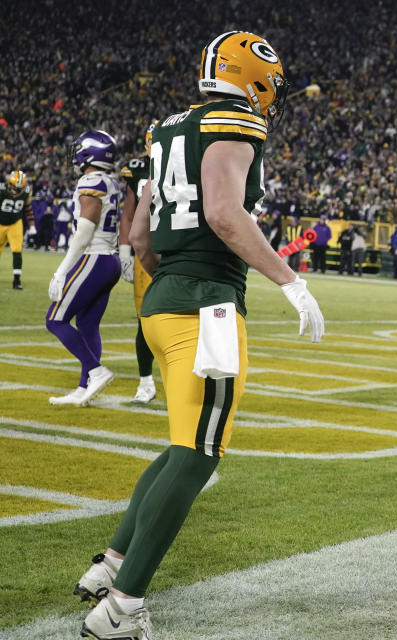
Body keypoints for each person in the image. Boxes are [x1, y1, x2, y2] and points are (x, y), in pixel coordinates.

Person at [72, 31, 324, 640]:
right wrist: (290, 281)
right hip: (207, 307)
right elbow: (222, 212)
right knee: (198, 454)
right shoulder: (236, 122)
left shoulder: (167, 128)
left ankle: (110, 566)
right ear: (253, 77)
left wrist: (173, 283)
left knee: (181, 446)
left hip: (162, 305)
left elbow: (139, 237)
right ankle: (122, 609)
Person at [46, 131, 124, 407]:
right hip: (109, 260)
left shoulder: (90, 181)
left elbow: (85, 231)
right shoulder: (110, 182)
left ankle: (95, 371)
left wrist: (62, 270)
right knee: (88, 324)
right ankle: (84, 387)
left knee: (55, 319)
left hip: (95, 257)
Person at [118, 120, 159, 403]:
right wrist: (124, 252)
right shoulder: (138, 167)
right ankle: (146, 382)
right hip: (147, 247)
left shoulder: (188, 161)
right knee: (145, 319)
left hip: (178, 247)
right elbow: (129, 212)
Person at [0, 170, 36, 289]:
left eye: (20, 187)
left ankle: (16, 281)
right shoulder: (2, 190)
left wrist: (31, 225)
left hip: (15, 223)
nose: (17, 190)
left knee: (17, 250)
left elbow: (27, 208)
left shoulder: (25, 192)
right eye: (15, 187)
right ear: (9, 183)